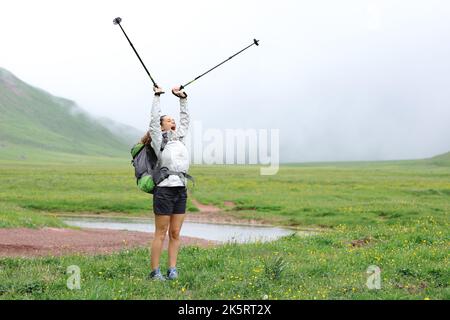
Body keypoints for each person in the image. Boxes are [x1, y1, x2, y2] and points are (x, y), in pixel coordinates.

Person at [144, 85, 190, 281]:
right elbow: (153, 121)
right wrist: (156, 97)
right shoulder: (157, 140)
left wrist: (183, 98)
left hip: (181, 189)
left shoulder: (179, 138)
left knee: (176, 232)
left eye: (173, 120)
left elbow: (186, 120)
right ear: (162, 126)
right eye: (168, 120)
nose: (173, 121)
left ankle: (172, 270)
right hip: (164, 190)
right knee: (161, 232)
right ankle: (155, 272)